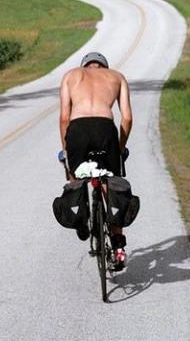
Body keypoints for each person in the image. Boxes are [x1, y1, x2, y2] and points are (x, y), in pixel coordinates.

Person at [59, 51, 133, 270]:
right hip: (105, 130)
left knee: (75, 176)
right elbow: (127, 118)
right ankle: (118, 248)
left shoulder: (71, 75)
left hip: (78, 130)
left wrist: (66, 150)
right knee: (113, 185)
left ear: (85, 66)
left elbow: (64, 117)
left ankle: (80, 219)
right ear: (104, 66)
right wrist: (118, 148)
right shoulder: (117, 77)